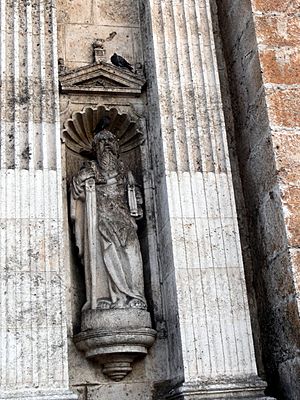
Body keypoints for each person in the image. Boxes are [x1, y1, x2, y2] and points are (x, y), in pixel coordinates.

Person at [70, 128, 147, 311]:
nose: (107, 146)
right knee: (103, 254)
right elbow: (77, 192)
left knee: (132, 254)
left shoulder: (126, 172)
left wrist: (137, 201)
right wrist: (81, 180)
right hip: (100, 222)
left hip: (125, 222)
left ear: (117, 147)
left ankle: (135, 296)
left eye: (110, 142)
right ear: (95, 149)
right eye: (102, 143)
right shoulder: (89, 170)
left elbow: (136, 199)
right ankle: (104, 296)